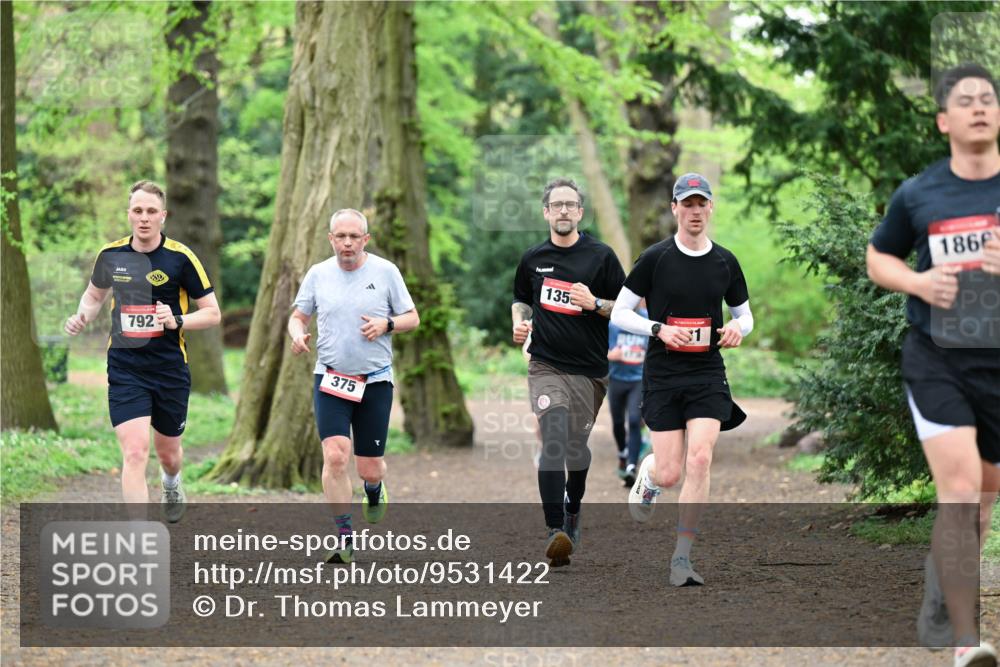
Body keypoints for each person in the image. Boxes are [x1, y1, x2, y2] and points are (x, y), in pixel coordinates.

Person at [866, 62, 999, 667]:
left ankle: (939, 585)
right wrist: (919, 282)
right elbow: (878, 259)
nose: (980, 107)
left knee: (985, 497)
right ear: (945, 120)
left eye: (989, 98)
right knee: (962, 491)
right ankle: (966, 642)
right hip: (937, 358)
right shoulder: (919, 193)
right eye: (966, 100)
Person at [611, 172, 753, 587]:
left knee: (701, 459)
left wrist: (737, 330)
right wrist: (658, 329)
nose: (694, 211)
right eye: (686, 204)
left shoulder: (725, 261)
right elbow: (620, 312)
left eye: (701, 203)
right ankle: (650, 473)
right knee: (672, 472)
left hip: (708, 371)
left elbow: (745, 315)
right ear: (674, 208)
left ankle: (682, 557)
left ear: (711, 208)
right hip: (663, 372)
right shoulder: (654, 258)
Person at [64, 180, 221, 522]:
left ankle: (171, 481)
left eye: (151, 211)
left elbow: (213, 313)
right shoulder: (111, 255)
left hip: (168, 368)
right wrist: (81, 317)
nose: (144, 218)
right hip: (125, 366)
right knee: (135, 452)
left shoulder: (181, 258)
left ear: (163, 216)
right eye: (138, 211)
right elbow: (93, 296)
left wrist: (176, 320)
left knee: (168, 454)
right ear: (129, 215)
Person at [289, 208, 419, 564]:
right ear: (331, 239)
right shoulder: (318, 274)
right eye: (340, 236)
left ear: (366, 239)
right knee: (335, 456)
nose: (347, 243)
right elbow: (298, 316)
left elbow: (412, 317)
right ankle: (344, 536)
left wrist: (386, 324)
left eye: (354, 236)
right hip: (330, 378)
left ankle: (374, 490)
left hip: (375, 380)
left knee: (369, 467)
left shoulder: (386, 272)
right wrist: (298, 335)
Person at [512, 178, 626, 567]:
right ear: (546, 212)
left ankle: (573, 507)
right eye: (556, 204)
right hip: (545, 364)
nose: (563, 210)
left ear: (580, 212)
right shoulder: (532, 258)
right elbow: (521, 300)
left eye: (570, 205)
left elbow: (626, 308)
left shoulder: (601, 257)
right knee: (554, 437)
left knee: (575, 448)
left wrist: (594, 302)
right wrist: (520, 322)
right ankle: (555, 529)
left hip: (590, 372)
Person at [607, 301, 649, 487]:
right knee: (617, 423)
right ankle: (622, 453)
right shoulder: (614, 321)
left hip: (638, 380)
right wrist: (609, 355)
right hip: (616, 379)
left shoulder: (648, 320)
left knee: (633, 420)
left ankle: (632, 466)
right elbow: (600, 351)